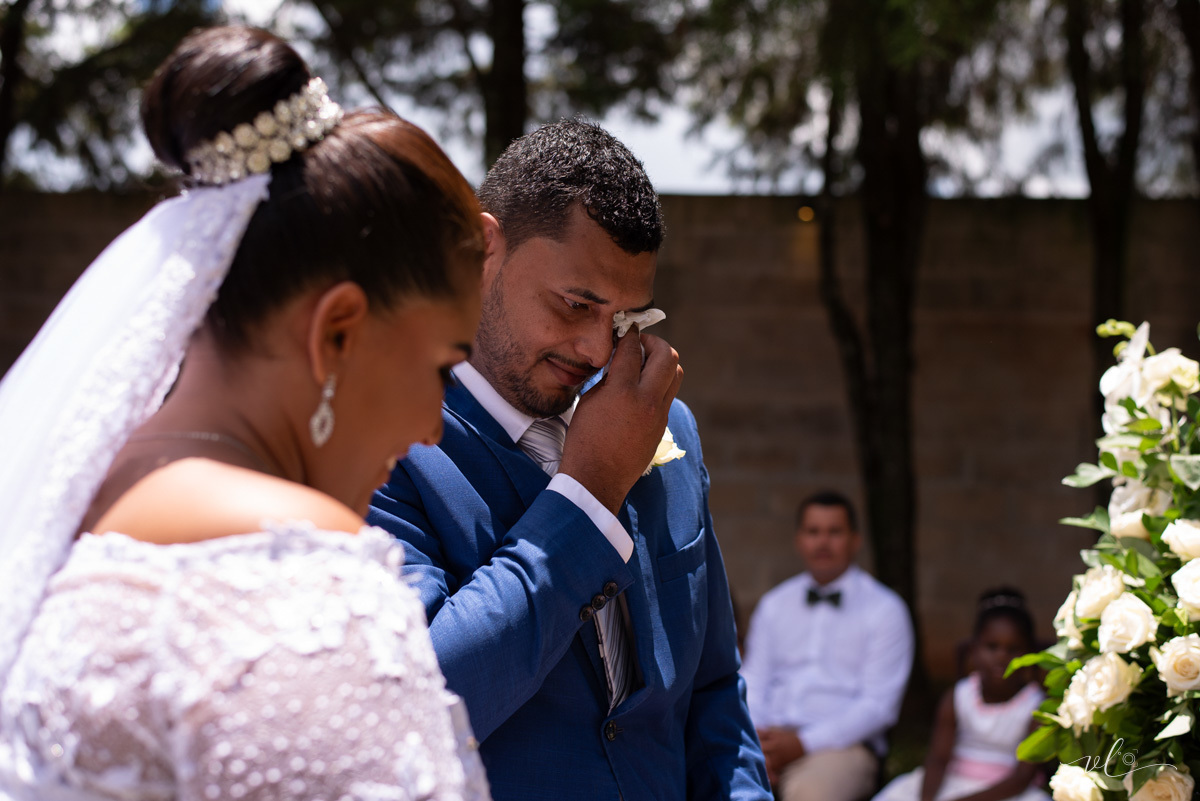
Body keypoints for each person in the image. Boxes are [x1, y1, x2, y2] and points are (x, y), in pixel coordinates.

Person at [0, 26, 492, 801]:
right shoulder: (302, 588)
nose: (434, 427)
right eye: (443, 367)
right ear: (336, 332)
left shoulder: (70, 497)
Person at [368, 119, 771, 801]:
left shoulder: (668, 428)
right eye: (576, 304)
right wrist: (587, 495)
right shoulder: (381, 447)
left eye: (625, 320)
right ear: (484, 250)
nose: (597, 349)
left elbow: (711, 690)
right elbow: (422, 701)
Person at [741, 490, 915, 801]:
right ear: (799, 540)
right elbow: (753, 681)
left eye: (834, 532)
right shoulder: (774, 604)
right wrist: (760, 744)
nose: (823, 542)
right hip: (768, 739)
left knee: (811, 794)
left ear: (855, 540)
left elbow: (878, 706)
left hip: (842, 748)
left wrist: (803, 743)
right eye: (813, 532)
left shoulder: (885, 609)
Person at [872, 588, 1049, 801]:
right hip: (951, 782)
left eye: (1013, 650)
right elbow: (938, 759)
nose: (1002, 657)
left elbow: (1022, 777)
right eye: (992, 647)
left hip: (1006, 792)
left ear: (1030, 654)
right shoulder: (958, 697)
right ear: (974, 649)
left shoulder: (1036, 706)